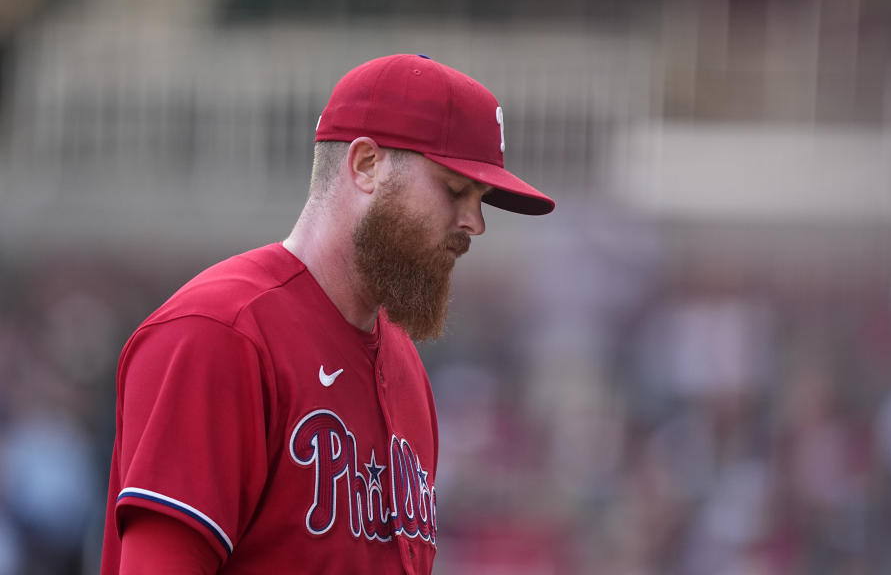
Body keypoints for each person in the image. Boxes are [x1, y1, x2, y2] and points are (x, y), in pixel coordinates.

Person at [99, 54, 554, 574]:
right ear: (366, 165)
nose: (474, 222)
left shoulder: (406, 367)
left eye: (481, 199)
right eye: (454, 190)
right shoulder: (220, 333)